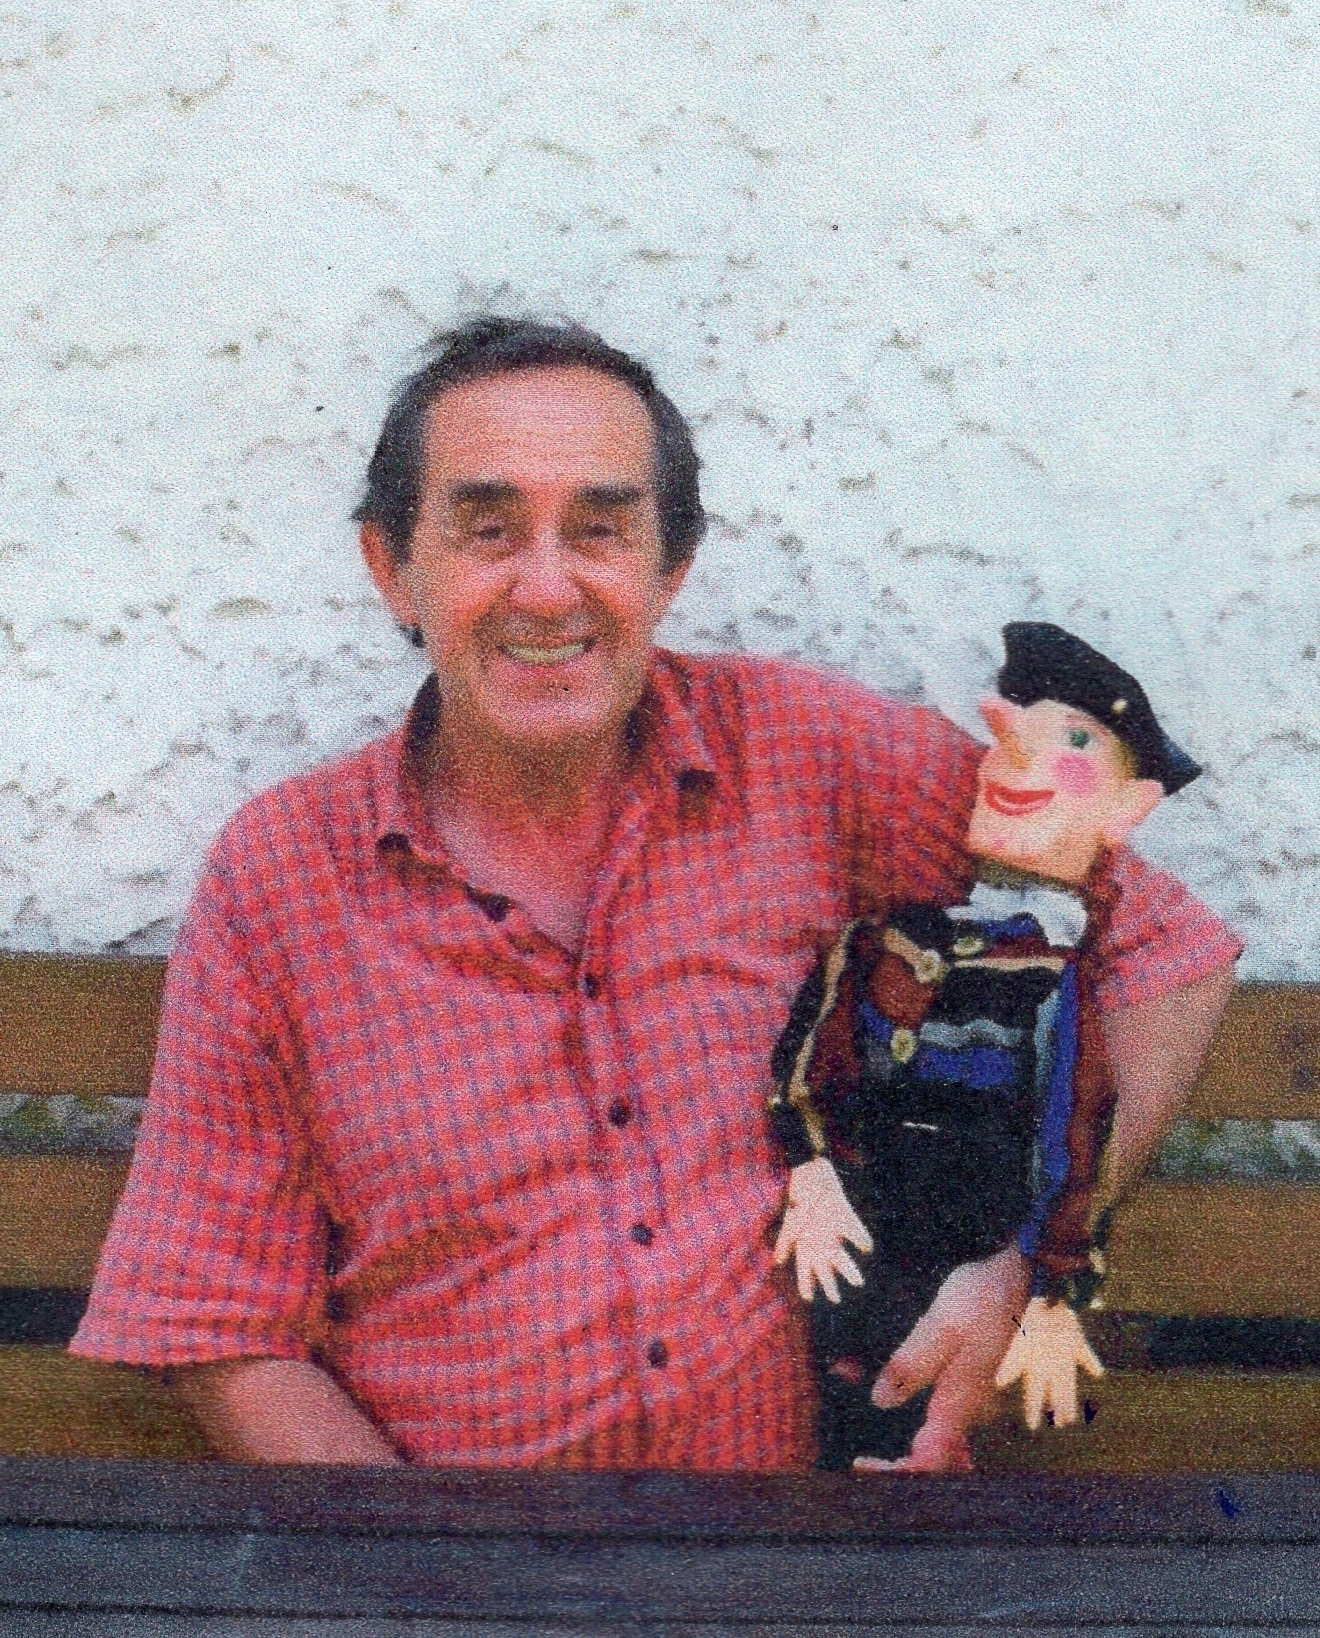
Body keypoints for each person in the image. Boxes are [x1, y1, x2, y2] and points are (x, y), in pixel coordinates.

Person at [70, 317, 1239, 1470]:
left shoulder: (812, 757)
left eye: (601, 530)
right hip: (457, 1550)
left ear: (669, 568)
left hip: (809, 1544)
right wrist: (430, 1568)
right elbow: (222, 1323)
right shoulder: (281, 879)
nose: (546, 590)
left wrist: (1017, 1260)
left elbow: (1163, 954)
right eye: (488, 531)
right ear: (392, 569)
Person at [771, 621, 1211, 1469]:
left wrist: (1050, 1291)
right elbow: (817, 1049)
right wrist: (811, 1169)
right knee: (846, 1348)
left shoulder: (1054, 982)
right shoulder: (894, 935)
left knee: (909, 1394)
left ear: (1126, 811)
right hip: (870, 1217)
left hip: (972, 1229)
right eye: (1009, 741)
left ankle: (926, 1452)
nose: (1014, 758)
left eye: (1070, 744)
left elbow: (1072, 1131)